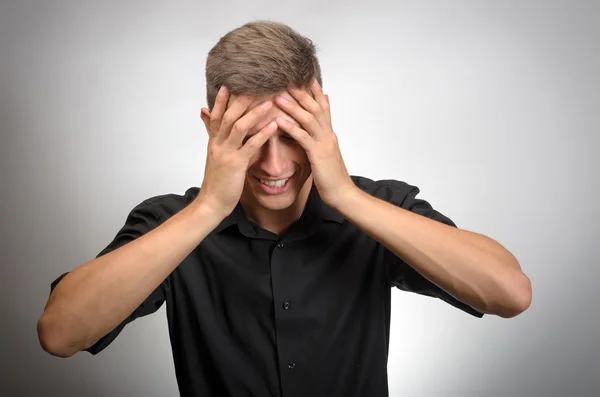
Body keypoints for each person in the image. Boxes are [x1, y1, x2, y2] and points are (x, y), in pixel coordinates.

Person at [37, 20, 532, 397]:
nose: (274, 163)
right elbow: (60, 334)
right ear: (213, 128)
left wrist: (346, 197)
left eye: (291, 137)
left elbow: (509, 293)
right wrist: (209, 206)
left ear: (322, 120)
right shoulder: (171, 223)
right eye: (251, 137)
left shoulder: (381, 209)